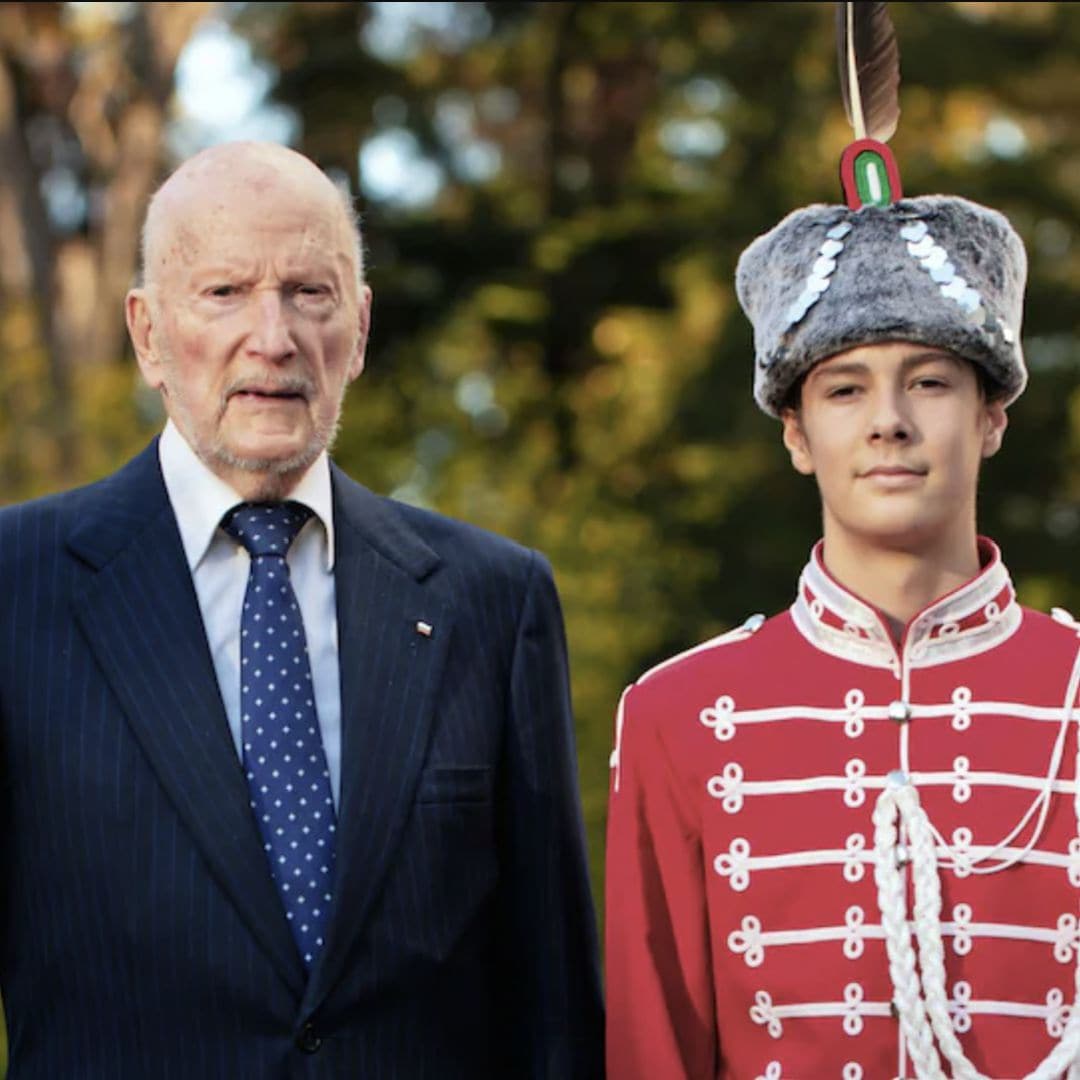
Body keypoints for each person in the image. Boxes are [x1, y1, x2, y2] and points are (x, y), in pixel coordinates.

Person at [0, 141, 603, 1079]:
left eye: (309, 293)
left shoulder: (493, 600)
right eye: (225, 292)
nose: (273, 337)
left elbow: (554, 1010)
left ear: (357, 329)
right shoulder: (16, 589)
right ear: (148, 334)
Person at [604, 185, 1080, 1075]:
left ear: (992, 417)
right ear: (796, 430)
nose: (888, 421)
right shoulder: (677, 713)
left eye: (930, 381)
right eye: (845, 388)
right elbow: (651, 1047)